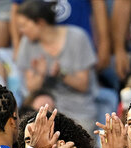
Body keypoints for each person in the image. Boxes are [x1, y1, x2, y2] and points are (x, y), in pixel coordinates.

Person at [15, 0, 98, 133]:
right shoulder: (27, 44)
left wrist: (61, 73)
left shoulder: (77, 37)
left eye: (24, 25)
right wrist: (41, 75)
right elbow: (30, 90)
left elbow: (84, 84)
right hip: (45, 107)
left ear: (40, 23)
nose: (21, 31)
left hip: (78, 107)